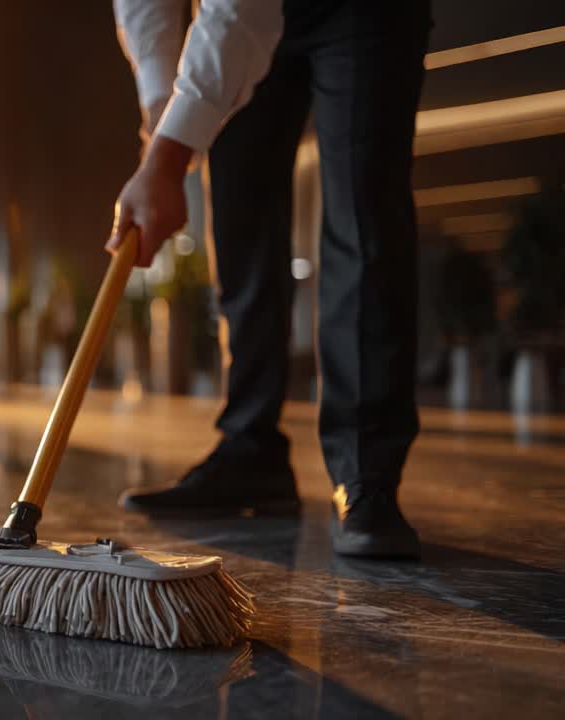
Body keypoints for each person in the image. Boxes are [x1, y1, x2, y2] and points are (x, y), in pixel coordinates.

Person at [108, 0, 431, 559]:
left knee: (362, 215)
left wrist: (164, 163)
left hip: (366, 12)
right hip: (239, 14)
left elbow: (240, 11)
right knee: (239, 216)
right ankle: (249, 450)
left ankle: (366, 473)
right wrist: (163, 118)